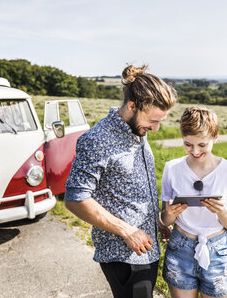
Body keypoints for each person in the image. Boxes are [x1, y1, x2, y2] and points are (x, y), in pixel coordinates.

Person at [64, 64, 177, 298]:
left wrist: (155, 221)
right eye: (153, 121)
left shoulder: (137, 129)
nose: (156, 129)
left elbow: (128, 191)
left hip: (146, 247)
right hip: (123, 254)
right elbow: (75, 199)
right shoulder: (97, 139)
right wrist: (127, 231)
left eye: (160, 122)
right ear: (132, 106)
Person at [161, 106, 227, 298]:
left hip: (218, 250)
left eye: (202, 145)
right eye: (188, 144)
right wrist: (169, 215)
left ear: (215, 137)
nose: (195, 151)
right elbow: (165, 221)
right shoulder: (172, 168)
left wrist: (223, 212)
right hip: (180, 247)